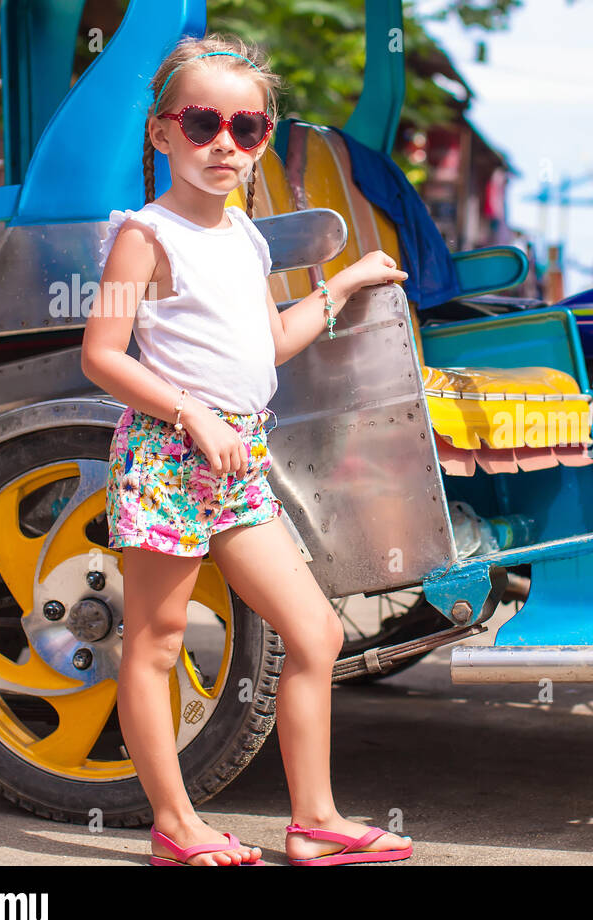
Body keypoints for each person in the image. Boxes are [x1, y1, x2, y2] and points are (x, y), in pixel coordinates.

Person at [81, 34, 413, 866]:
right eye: (202, 123)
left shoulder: (247, 238)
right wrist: (193, 414)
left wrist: (340, 286)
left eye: (249, 127)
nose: (225, 143)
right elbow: (102, 355)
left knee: (316, 635)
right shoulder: (143, 237)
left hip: (237, 464)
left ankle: (315, 822)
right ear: (161, 134)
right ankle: (174, 825)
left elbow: (271, 343)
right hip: (167, 459)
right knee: (155, 642)